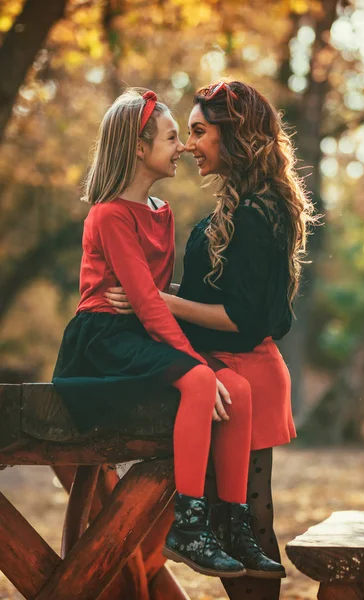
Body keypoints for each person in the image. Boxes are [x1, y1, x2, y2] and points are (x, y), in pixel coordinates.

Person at [52, 88, 286, 580]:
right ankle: (190, 522)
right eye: (175, 135)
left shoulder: (161, 211)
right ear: (139, 147)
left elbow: (155, 299)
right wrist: (197, 365)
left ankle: (234, 519)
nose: (182, 146)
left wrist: (160, 312)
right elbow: (146, 302)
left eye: (192, 134)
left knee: (238, 391)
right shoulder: (109, 213)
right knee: (204, 382)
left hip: (142, 331)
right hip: (104, 338)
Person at [106, 80, 316, 598]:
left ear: (234, 133)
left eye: (199, 131)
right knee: (242, 526)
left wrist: (158, 301)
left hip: (240, 369)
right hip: (230, 368)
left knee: (241, 527)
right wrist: (148, 292)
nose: (189, 145)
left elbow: (245, 318)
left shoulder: (255, 212)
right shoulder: (249, 203)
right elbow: (218, 295)